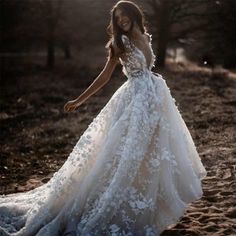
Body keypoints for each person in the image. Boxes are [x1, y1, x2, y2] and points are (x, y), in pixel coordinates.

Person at [0, 1, 207, 235]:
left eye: (124, 16)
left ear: (133, 14)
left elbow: (147, 68)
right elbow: (105, 76)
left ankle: (144, 203)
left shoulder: (146, 37)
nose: (121, 20)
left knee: (151, 152)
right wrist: (79, 100)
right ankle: (114, 203)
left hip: (154, 98)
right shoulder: (121, 42)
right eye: (117, 18)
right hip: (134, 101)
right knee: (125, 153)